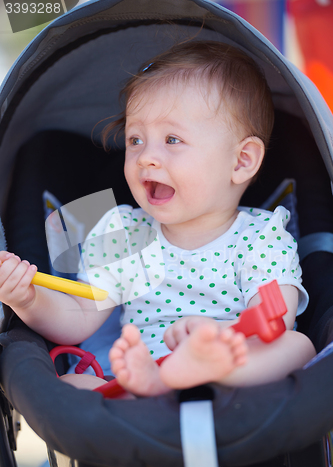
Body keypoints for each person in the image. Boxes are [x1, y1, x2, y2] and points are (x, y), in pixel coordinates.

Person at [0, 41, 316, 397]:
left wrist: (217, 341)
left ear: (241, 161)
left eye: (172, 139)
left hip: (234, 371)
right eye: (135, 139)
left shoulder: (262, 236)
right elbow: (78, 316)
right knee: (71, 386)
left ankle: (207, 368)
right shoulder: (126, 232)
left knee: (297, 345)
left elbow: (274, 318)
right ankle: (157, 383)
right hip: (140, 379)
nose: (146, 157)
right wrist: (27, 299)